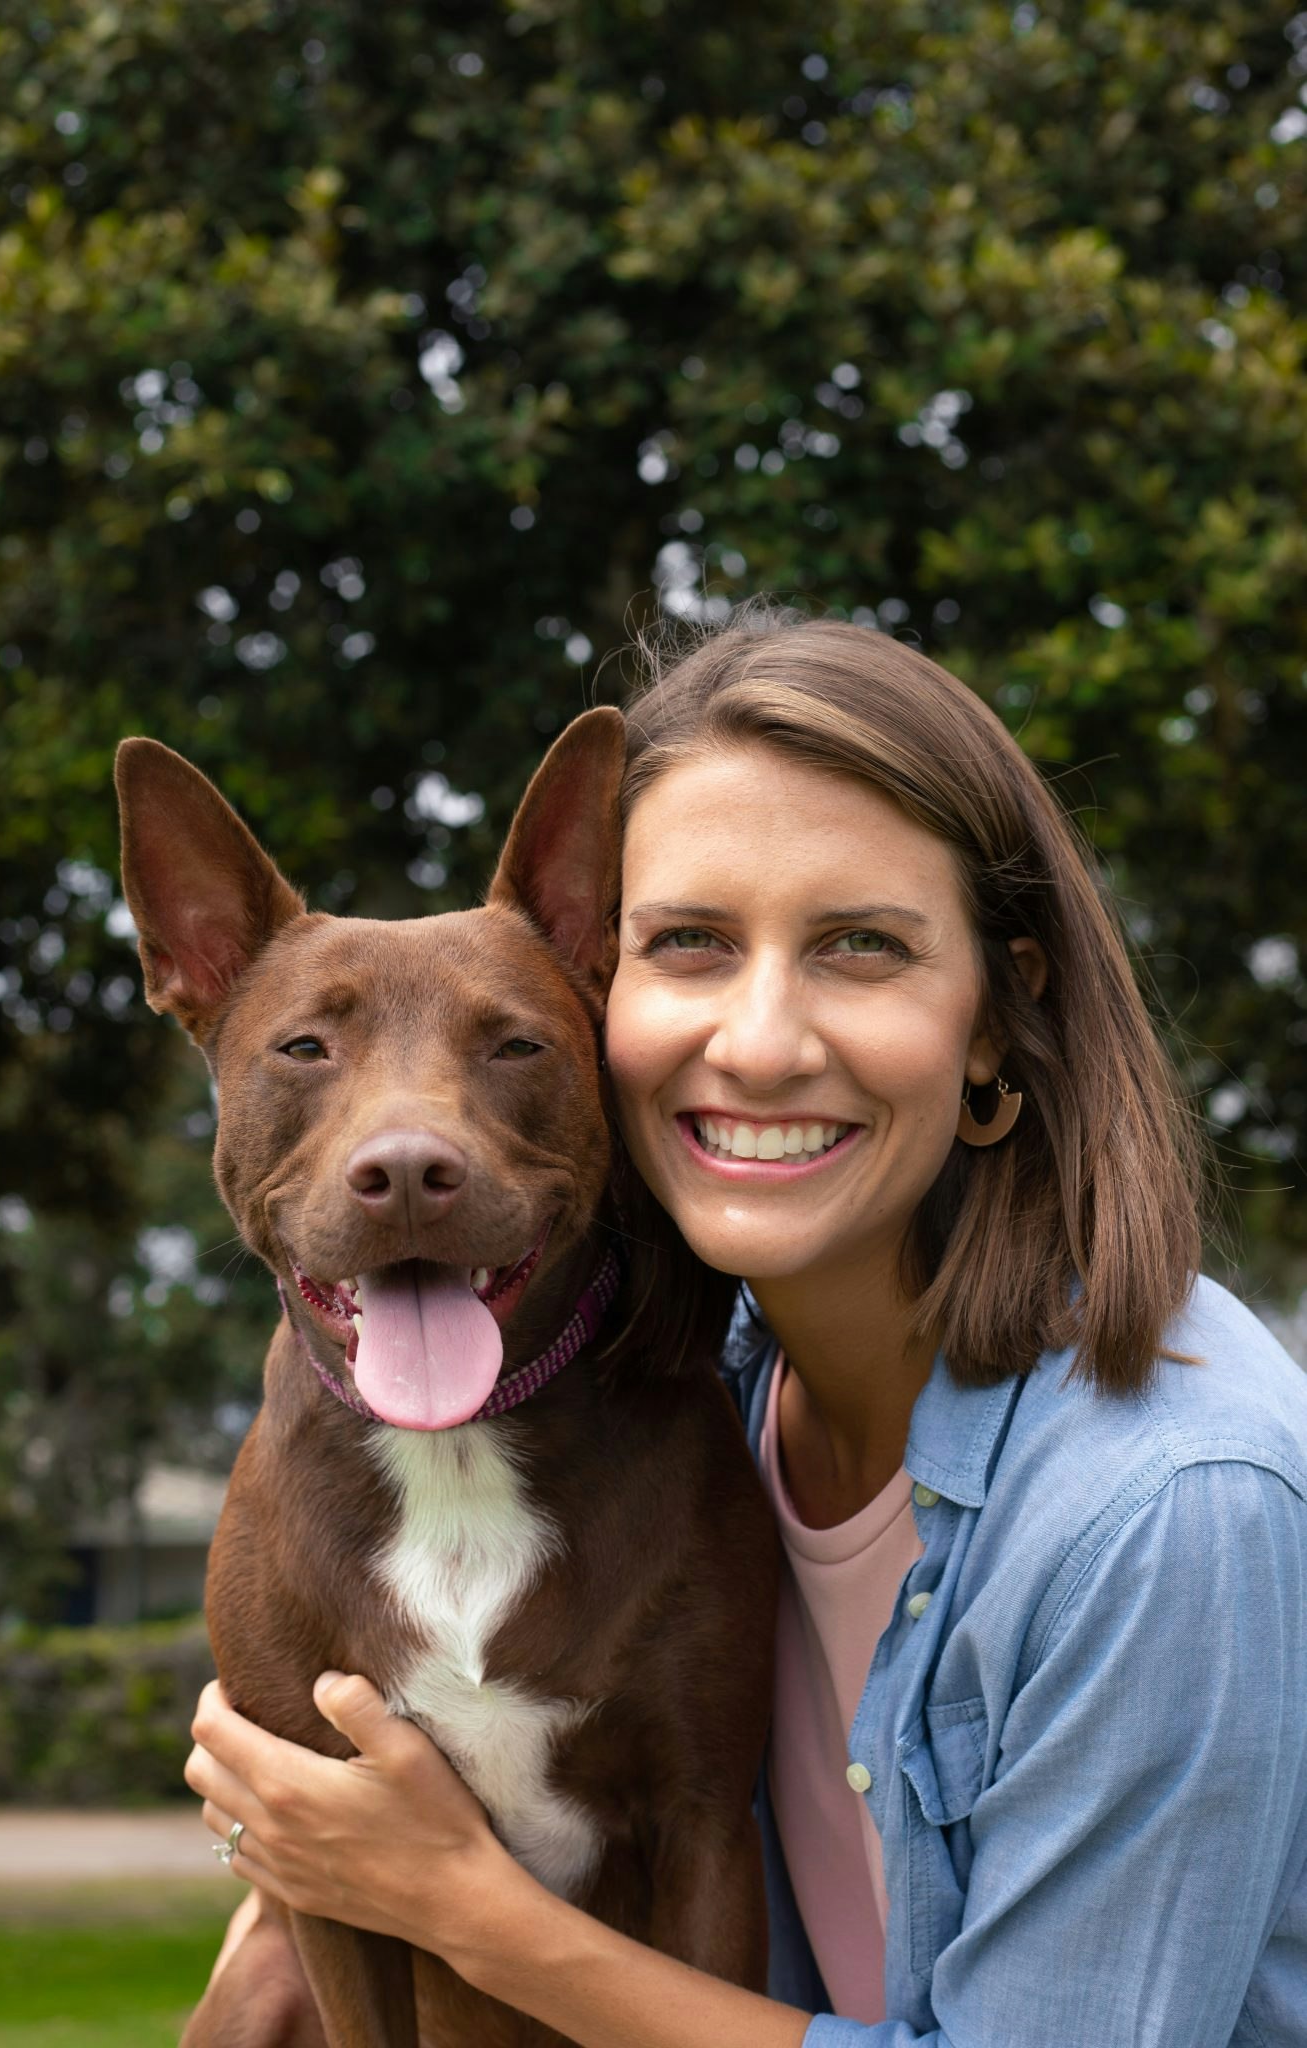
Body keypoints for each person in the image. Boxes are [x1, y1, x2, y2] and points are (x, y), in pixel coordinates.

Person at [186, 608, 1307, 2046]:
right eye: (692, 944)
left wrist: (461, 1909)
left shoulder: (1164, 1510)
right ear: (611, 984)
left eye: (860, 947)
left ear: (995, 1015)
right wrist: (298, 1887)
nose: (763, 1041)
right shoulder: (678, 1382)